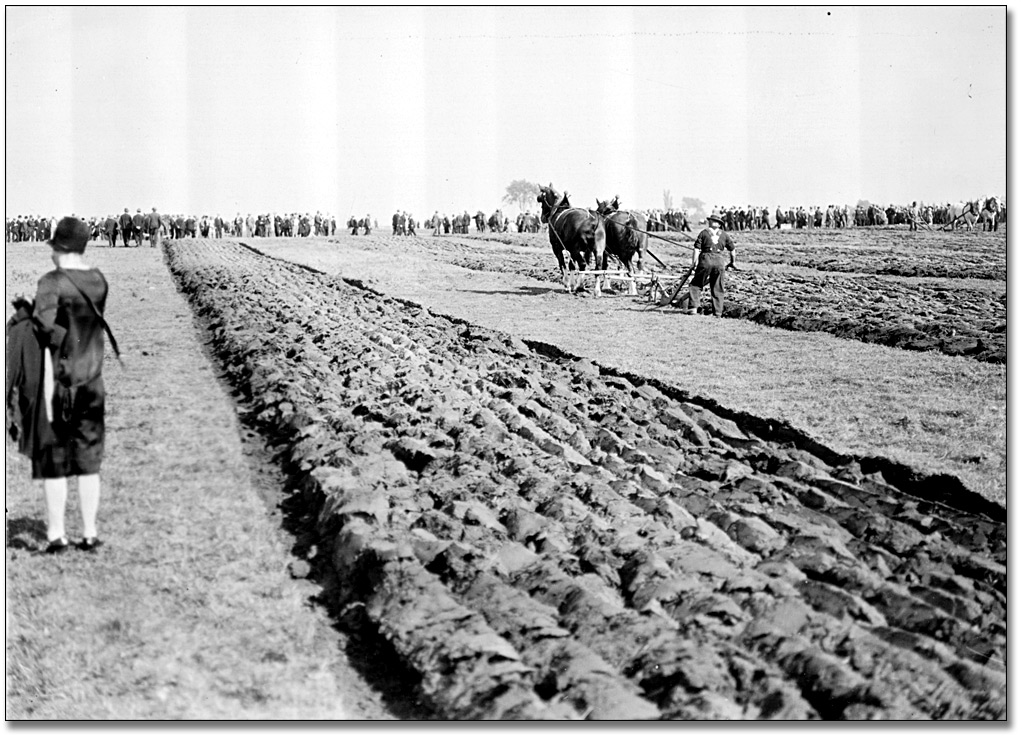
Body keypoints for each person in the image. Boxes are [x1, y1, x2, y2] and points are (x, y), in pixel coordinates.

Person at [31, 217, 112, 553]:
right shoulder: (98, 280)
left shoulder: (51, 282)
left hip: (57, 383)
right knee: (89, 460)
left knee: (54, 461)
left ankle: (56, 535)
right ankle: (90, 533)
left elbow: (43, 331)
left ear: (59, 247)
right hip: (93, 381)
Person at [685, 214, 736, 318]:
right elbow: (732, 250)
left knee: (696, 283)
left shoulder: (704, 233)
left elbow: (696, 249)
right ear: (719, 225)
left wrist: (693, 264)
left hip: (706, 259)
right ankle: (717, 312)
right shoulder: (725, 235)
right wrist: (732, 262)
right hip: (719, 260)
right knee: (718, 286)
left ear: (710, 222)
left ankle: (693, 308)